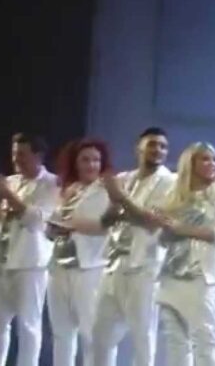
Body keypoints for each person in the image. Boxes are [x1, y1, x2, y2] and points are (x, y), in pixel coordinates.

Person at [91, 127, 176, 366]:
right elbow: (105, 221)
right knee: (100, 336)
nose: (158, 150)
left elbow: (152, 222)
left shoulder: (170, 182)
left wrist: (121, 199)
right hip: (114, 265)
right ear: (138, 148)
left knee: (142, 338)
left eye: (163, 146)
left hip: (145, 268)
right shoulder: (124, 179)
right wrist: (115, 206)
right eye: (152, 144)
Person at [154, 142, 215, 366]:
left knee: (205, 339)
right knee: (175, 341)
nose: (212, 164)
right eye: (205, 159)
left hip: (202, 276)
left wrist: (183, 229)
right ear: (189, 164)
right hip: (170, 274)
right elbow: (163, 239)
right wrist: (164, 230)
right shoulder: (173, 196)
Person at [0, 133, 59, 366]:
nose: (16, 159)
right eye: (14, 154)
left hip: (30, 265)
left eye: (22, 154)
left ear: (38, 156)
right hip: (0, 261)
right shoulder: (10, 181)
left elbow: (38, 221)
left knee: (28, 326)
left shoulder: (52, 183)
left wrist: (7, 195)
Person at [46, 139, 112, 366]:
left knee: (91, 333)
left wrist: (71, 225)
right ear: (75, 162)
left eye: (96, 160)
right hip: (59, 266)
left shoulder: (106, 191)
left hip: (89, 268)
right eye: (85, 160)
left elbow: (106, 227)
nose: (91, 165)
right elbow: (52, 226)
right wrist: (52, 228)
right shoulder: (68, 190)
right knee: (61, 333)